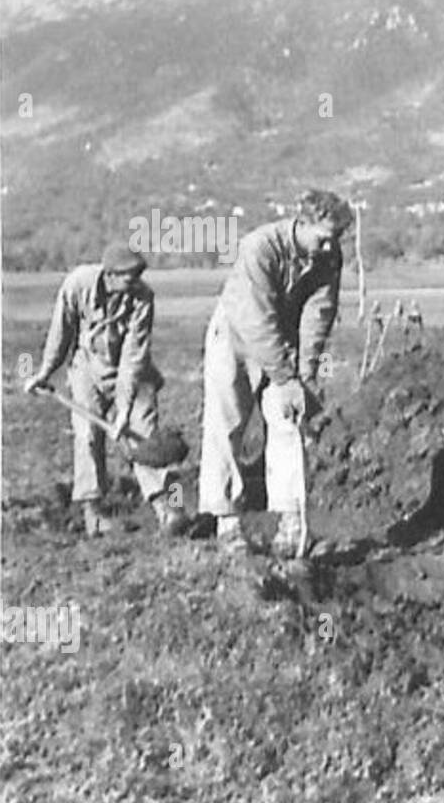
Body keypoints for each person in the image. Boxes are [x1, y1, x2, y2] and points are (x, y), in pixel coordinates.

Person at [199, 189, 353, 555]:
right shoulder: (260, 248)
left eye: (337, 239)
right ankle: (227, 522)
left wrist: (304, 375)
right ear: (302, 223)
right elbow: (257, 320)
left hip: (282, 339)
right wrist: (285, 379)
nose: (331, 247)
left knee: (287, 421)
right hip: (236, 336)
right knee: (227, 423)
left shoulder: (329, 257)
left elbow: (318, 314)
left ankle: (291, 524)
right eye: (324, 238)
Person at [23, 245, 184, 536]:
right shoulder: (77, 284)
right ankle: (93, 512)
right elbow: (61, 332)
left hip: (130, 370)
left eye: (138, 276)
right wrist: (44, 372)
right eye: (129, 277)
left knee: (144, 432)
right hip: (87, 366)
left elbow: (134, 356)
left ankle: (167, 506)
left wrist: (124, 409)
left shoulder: (143, 297)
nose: (135, 283)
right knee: (87, 434)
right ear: (110, 275)